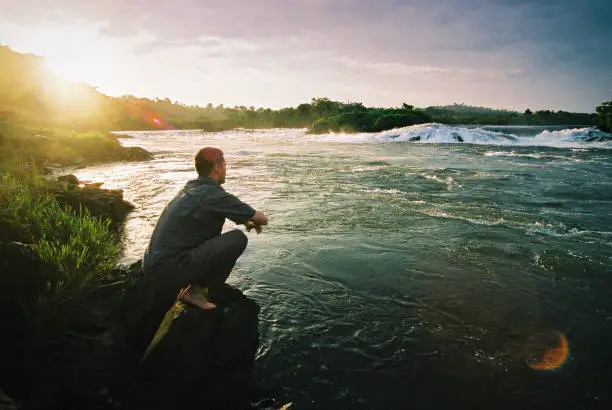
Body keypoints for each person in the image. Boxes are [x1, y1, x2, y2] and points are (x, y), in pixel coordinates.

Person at [142, 147, 268, 311]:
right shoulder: (213, 195)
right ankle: (198, 291)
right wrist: (252, 219)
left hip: (152, 265)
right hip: (169, 270)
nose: (226, 170)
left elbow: (221, 210)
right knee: (237, 238)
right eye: (225, 165)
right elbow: (261, 218)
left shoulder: (190, 189)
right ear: (217, 167)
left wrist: (245, 221)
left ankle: (193, 288)